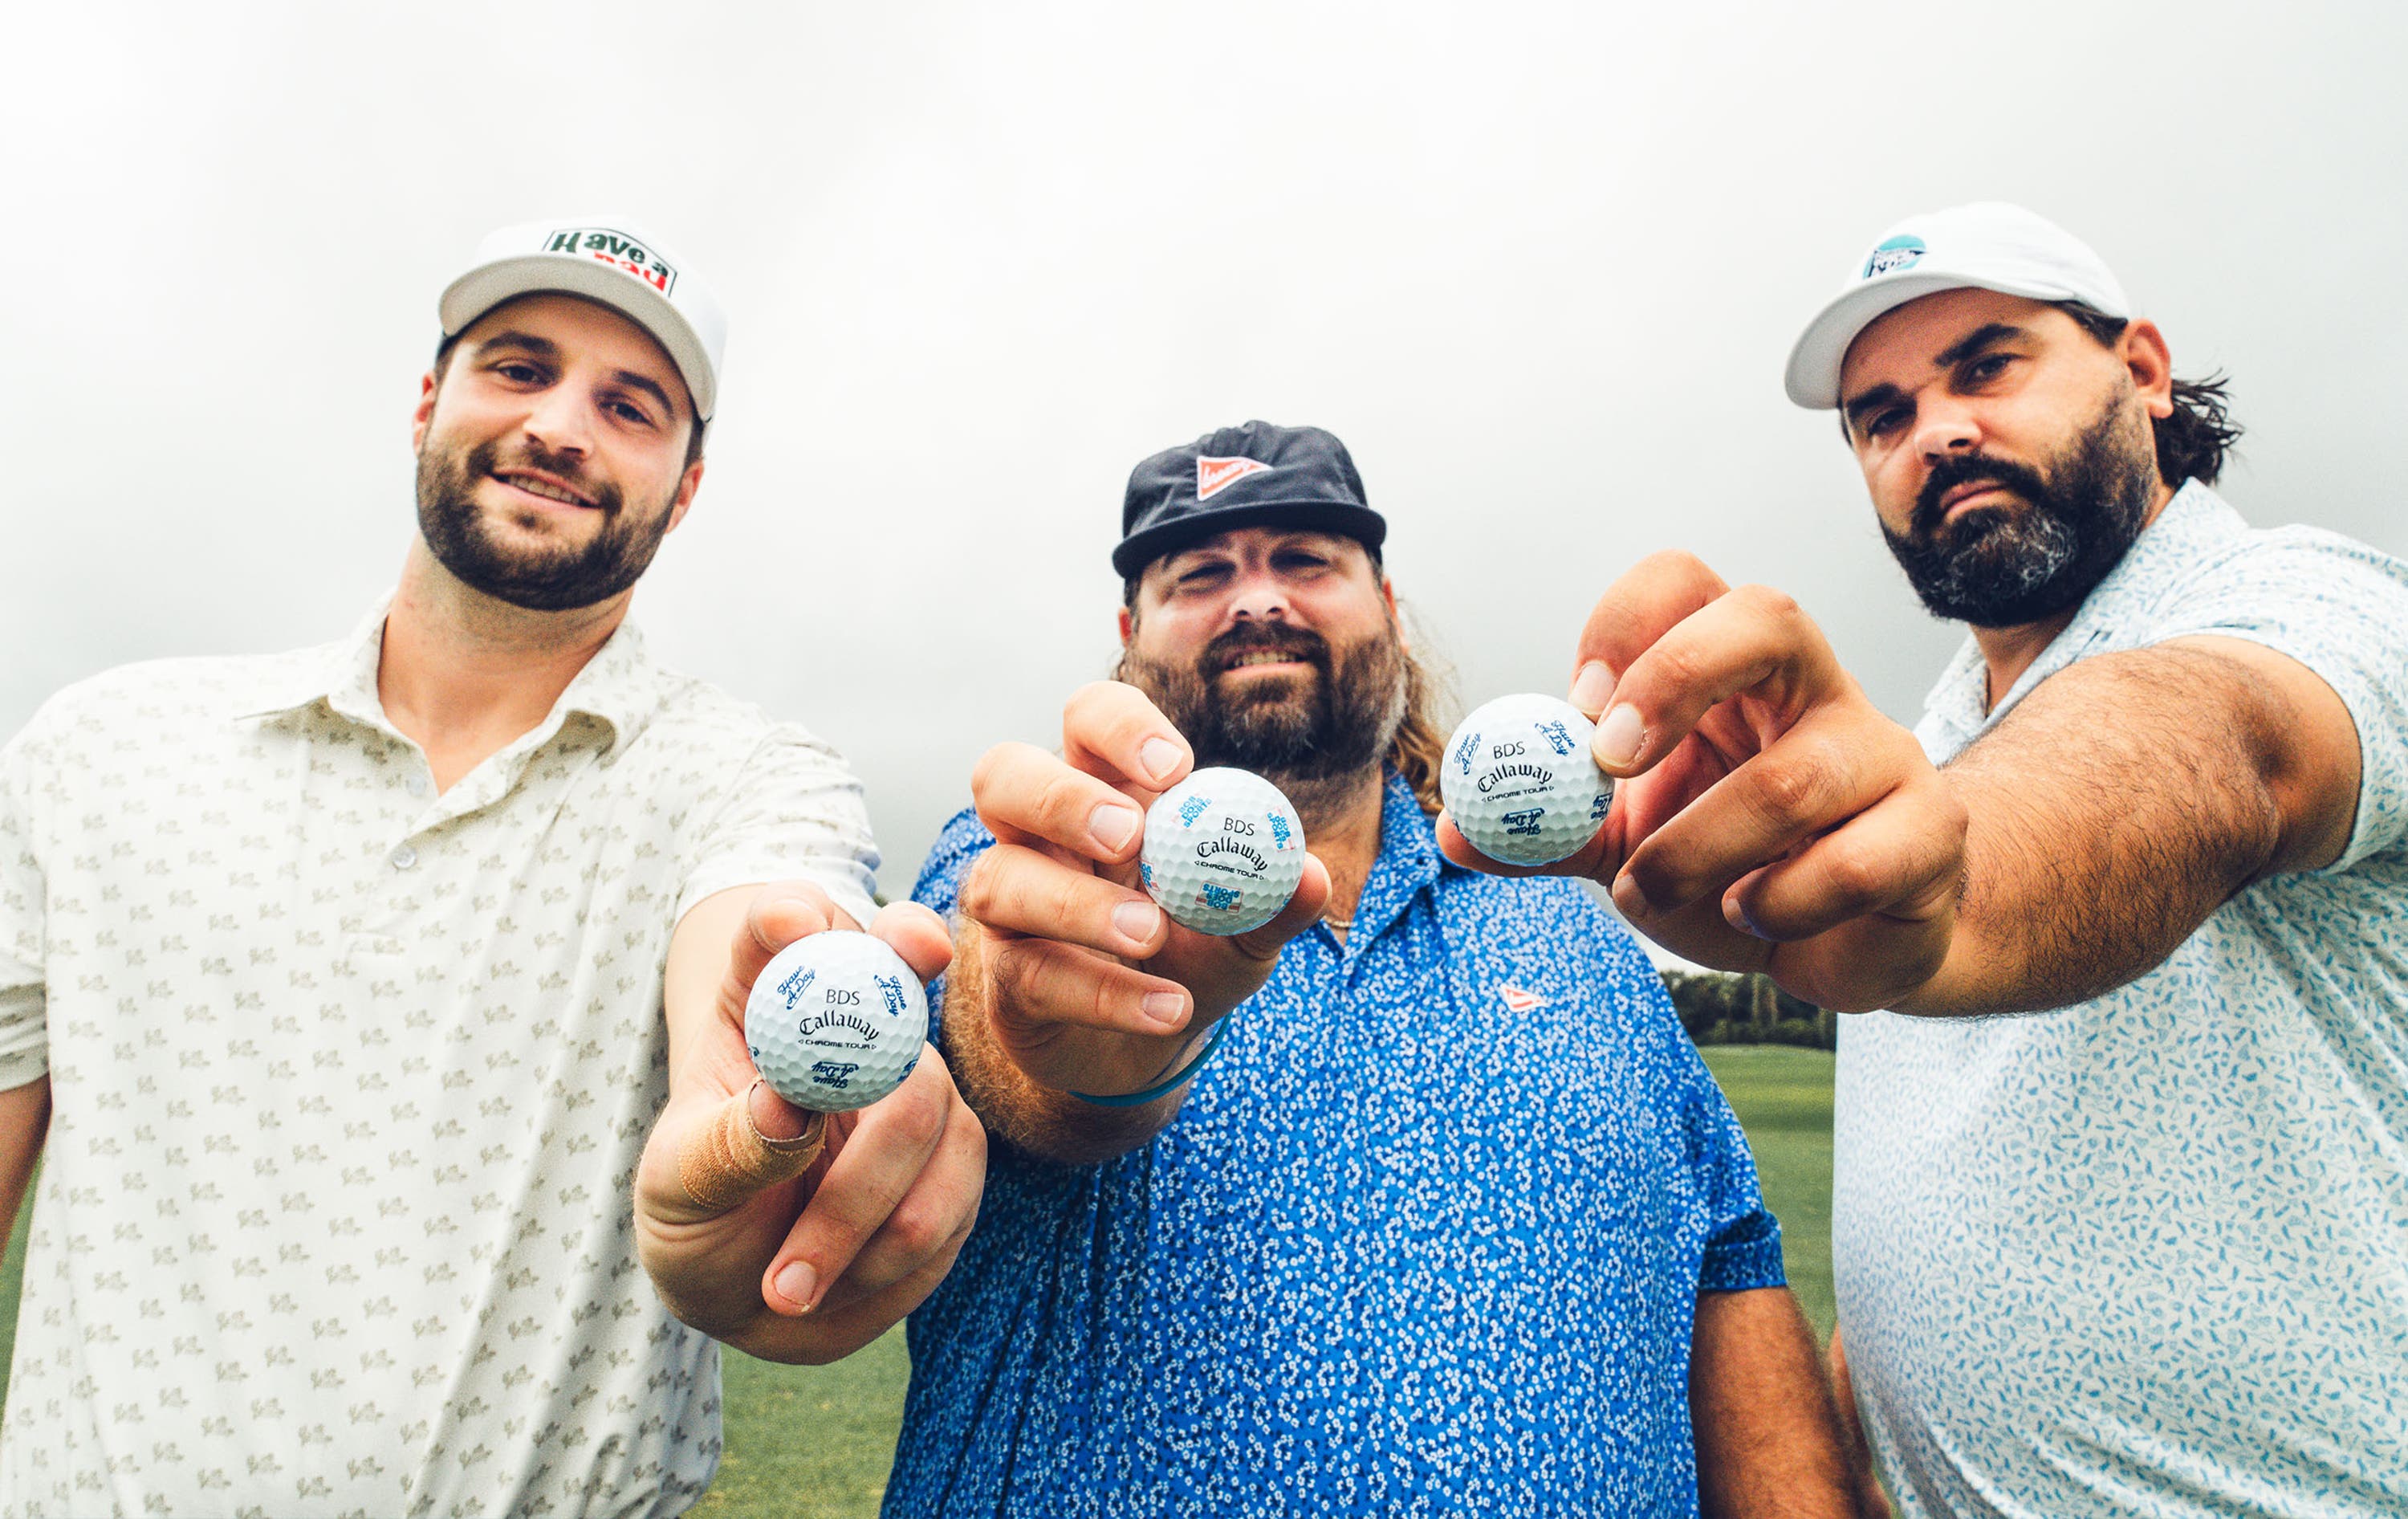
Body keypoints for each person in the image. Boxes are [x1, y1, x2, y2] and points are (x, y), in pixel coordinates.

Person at [0, 218, 984, 1515]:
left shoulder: (753, 779)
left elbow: (751, 942)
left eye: (629, 406)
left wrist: (738, 1111)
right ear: (428, 405)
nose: (563, 427)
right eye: (519, 369)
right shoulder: (98, 751)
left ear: (686, 488)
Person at [1447, 202, 2407, 1517]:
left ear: (2140, 370)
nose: (1937, 432)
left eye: (1987, 365)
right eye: (1883, 417)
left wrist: (1946, 871)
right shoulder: (1929, 747)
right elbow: (1935, 1243)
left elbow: (2222, 754)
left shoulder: (2319, 606)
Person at [884, 420, 1860, 1517]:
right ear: (1130, 635)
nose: (1258, 599)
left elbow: (1725, 1261)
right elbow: (1003, 1047)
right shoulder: (1029, 870)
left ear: (1387, 610)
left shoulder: (1572, 926)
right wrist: (1098, 1053)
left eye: (1305, 560)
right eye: (1201, 573)